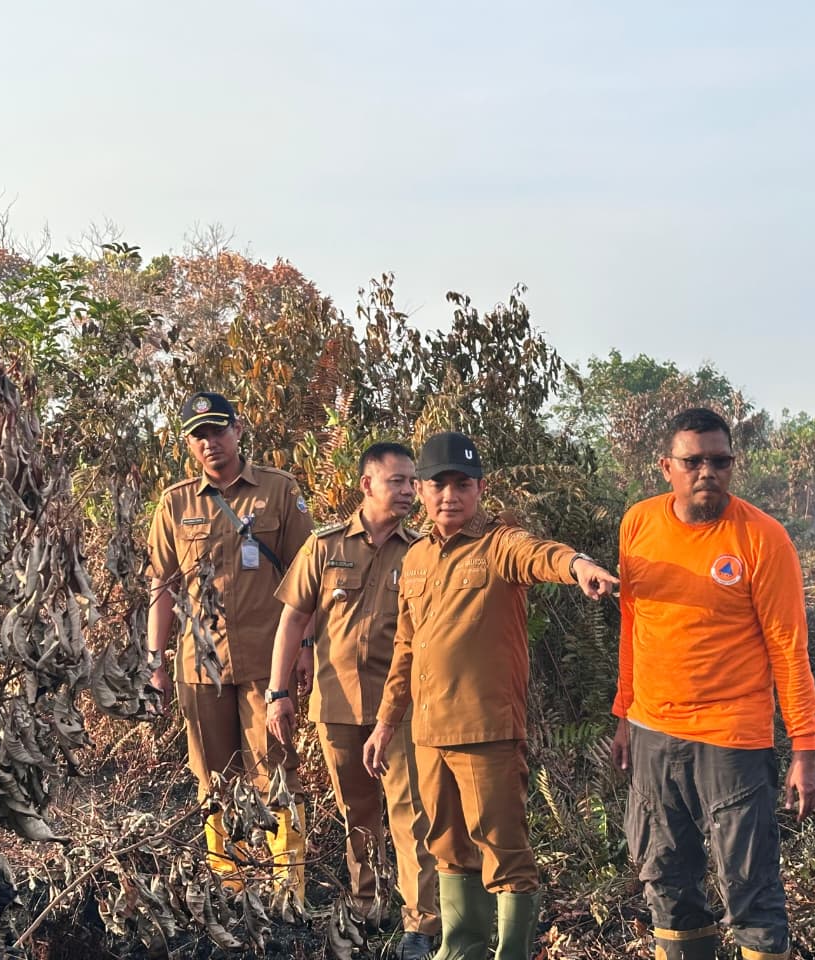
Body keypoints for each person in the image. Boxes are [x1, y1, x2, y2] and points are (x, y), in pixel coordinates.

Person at [362, 431, 620, 960]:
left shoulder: (499, 545)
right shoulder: (414, 560)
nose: (448, 496)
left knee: (504, 854)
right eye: (438, 485)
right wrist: (387, 722)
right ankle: (462, 950)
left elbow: (541, 555)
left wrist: (579, 567)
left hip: (486, 733)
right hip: (428, 736)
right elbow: (406, 649)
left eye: (462, 484)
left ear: (480, 489)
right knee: (449, 850)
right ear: (423, 490)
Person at [609, 408, 815, 960]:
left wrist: (804, 747)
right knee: (667, 880)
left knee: (749, 885)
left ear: (733, 464)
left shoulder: (763, 539)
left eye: (720, 460)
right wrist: (624, 713)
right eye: (693, 460)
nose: (707, 471)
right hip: (653, 730)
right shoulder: (638, 524)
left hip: (732, 737)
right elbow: (634, 625)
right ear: (666, 467)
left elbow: (789, 648)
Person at [267, 442, 441, 959]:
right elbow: (293, 620)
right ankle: (368, 905)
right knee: (358, 814)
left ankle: (420, 924)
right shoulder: (324, 547)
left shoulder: (422, 550)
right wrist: (278, 694)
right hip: (337, 706)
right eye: (398, 481)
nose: (410, 491)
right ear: (367, 485)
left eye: (413, 482)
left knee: (412, 815)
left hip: (404, 707)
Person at [147, 391, 314, 897]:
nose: (210, 442)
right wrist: (155, 662)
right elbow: (161, 586)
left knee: (276, 774)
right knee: (214, 780)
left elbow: (308, 578)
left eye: (218, 430)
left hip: (269, 664)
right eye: (199, 435)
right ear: (188, 444)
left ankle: (290, 889)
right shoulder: (175, 503)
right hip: (202, 667)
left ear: (238, 430)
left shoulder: (278, 492)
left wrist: (306, 644)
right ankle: (233, 889)